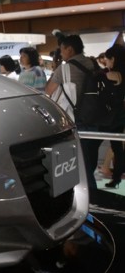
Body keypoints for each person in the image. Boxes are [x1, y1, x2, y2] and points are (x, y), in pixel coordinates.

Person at [45, 35, 100, 190]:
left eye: (62, 50)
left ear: (69, 49)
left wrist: (56, 68)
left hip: (78, 118)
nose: (61, 54)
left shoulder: (64, 69)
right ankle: (92, 190)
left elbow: (49, 90)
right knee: (91, 158)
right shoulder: (93, 63)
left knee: (82, 163)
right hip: (95, 117)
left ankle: (91, 197)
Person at [99, 44, 125, 188]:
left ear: (113, 59)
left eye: (107, 59)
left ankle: (113, 177)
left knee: (97, 143)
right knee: (117, 148)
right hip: (120, 114)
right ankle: (116, 179)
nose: (106, 63)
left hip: (111, 116)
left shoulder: (113, 74)